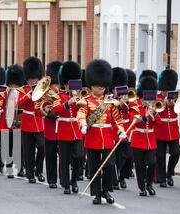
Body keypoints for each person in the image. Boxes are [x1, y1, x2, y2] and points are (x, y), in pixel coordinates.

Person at [77, 59, 125, 205]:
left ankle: (106, 190)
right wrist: (83, 125)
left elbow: (116, 120)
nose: (100, 87)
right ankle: (97, 194)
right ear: (92, 84)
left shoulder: (110, 102)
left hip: (108, 139)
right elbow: (81, 114)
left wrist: (121, 131)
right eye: (98, 84)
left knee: (110, 166)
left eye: (102, 85)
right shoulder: (85, 101)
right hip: (93, 138)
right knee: (94, 168)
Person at [54, 61, 83, 194]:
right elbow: (55, 109)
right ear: (65, 83)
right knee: (64, 159)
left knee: (79, 156)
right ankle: (66, 184)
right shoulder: (59, 96)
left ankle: (74, 180)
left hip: (76, 130)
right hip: (64, 130)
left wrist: (78, 99)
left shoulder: (80, 96)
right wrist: (67, 103)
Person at [129, 76, 162, 196]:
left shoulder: (153, 106)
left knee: (152, 162)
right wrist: (145, 116)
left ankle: (149, 184)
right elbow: (134, 120)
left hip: (150, 140)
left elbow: (159, 123)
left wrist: (154, 113)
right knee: (139, 165)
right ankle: (142, 187)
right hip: (138, 139)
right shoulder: (135, 105)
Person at [18, 57, 45, 184]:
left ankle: (39, 170)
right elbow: (19, 102)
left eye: (35, 78)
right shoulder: (23, 89)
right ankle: (30, 173)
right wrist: (29, 94)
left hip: (39, 121)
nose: (34, 80)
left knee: (41, 146)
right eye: (31, 78)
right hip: (27, 121)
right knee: (28, 149)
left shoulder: (43, 89)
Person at [155, 69, 180, 187]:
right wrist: (164, 104)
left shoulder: (176, 98)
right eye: (165, 90)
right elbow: (155, 113)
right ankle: (162, 179)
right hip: (160, 130)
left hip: (173, 130)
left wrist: (174, 104)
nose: (166, 92)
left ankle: (169, 173)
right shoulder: (157, 98)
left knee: (176, 152)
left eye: (168, 89)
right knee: (160, 156)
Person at [110, 67, 132, 190]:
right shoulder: (109, 99)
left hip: (126, 131)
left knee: (128, 156)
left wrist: (126, 105)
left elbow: (132, 114)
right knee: (117, 158)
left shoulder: (127, 99)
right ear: (113, 89)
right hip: (114, 132)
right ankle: (116, 180)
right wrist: (119, 104)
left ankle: (123, 176)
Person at [42, 61, 63, 189]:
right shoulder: (45, 92)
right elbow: (42, 108)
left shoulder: (63, 92)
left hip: (62, 128)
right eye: (55, 83)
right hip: (50, 127)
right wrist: (51, 112)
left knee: (63, 155)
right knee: (50, 154)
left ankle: (63, 178)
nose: (56, 86)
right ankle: (52, 179)